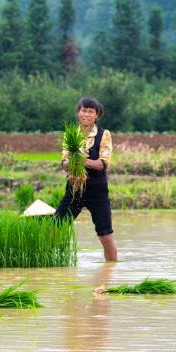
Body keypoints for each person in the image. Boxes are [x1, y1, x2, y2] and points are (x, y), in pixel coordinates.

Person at [54, 97, 118, 262]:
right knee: (55, 228)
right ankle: (48, 265)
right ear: (78, 113)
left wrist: (83, 161)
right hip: (74, 189)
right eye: (84, 110)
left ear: (96, 115)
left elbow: (102, 164)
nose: (87, 114)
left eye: (91, 111)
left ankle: (111, 270)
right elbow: (64, 163)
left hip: (97, 190)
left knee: (105, 235)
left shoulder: (104, 134)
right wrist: (70, 162)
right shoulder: (71, 134)